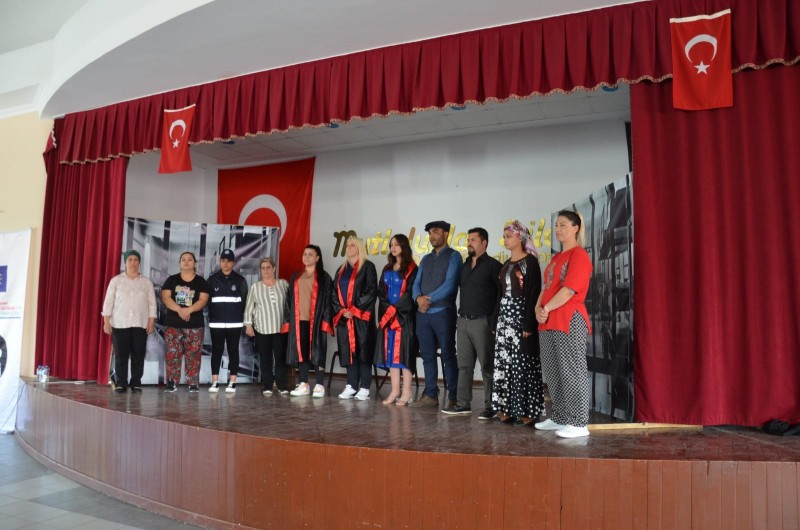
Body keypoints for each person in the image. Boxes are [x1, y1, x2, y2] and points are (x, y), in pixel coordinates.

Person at [535, 210, 593, 438]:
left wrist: (546, 309)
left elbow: (569, 290)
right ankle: (560, 417)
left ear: (575, 228)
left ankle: (579, 423)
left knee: (572, 370)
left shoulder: (579, 255)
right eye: (557, 225)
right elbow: (546, 288)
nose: (558, 229)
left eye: (563, 225)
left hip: (569, 318)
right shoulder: (556, 258)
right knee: (553, 371)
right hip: (548, 320)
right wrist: (538, 309)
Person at [442, 228, 502, 417]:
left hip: (483, 322)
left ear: (484, 243)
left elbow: (501, 296)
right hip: (463, 322)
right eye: (468, 240)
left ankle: (491, 407)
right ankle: (463, 404)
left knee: (487, 366)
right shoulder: (464, 266)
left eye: (473, 240)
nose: (469, 243)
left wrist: (494, 322)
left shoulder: (494, 266)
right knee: (464, 366)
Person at [491, 221, 543, 426]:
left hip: (521, 318)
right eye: (504, 236)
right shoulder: (506, 264)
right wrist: (495, 321)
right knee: (505, 363)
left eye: (509, 236)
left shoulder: (530, 262)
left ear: (520, 238)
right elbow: (500, 295)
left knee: (523, 363)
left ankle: (527, 411)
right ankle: (506, 408)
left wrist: (529, 324)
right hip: (504, 319)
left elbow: (533, 294)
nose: (505, 240)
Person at [410, 220, 462, 408]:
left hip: (443, 313)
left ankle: (454, 396)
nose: (432, 236)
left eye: (435, 232)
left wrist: (426, 300)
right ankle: (430, 394)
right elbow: (416, 283)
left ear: (446, 234)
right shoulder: (425, 259)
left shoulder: (454, 256)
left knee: (448, 354)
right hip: (423, 315)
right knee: (427, 355)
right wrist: (418, 299)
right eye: (430, 233)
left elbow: (450, 285)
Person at [281, 245, 334, 398]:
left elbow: (328, 302)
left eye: (311, 254)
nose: (307, 256)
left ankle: (319, 384)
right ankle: (303, 383)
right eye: (305, 254)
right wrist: (288, 321)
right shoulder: (296, 277)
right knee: (302, 353)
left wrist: (326, 321)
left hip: (316, 322)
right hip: (299, 321)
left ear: (317, 258)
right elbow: (288, 301)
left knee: (318, 351)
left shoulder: (324, 278)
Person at [101, 250, 157, 393]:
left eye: (135, 260)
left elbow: (152, 304)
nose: (133, 262)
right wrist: (106, 322)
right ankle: (121, 383)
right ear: (125, 262)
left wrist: (151, 321)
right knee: (121, 355)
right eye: (130, 260)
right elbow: (108, 302)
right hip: (120, 324)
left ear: (139, 263)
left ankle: (136, 383)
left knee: (138, 354)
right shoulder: (116, 281)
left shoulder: (146, 282)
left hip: (140, 324)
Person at [333, 237, 378, 400]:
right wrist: (341, 310)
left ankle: (365, 387)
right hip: (345, 318)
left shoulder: (368, 267)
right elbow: (333, 293)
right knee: (348, 351)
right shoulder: (341, 269)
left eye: (352, 245)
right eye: (347, 245)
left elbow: (371, 291)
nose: (349, 248)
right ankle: (351, 385)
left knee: (363, 350)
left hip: (361, 318)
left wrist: (354, 309)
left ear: (359, 248)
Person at [376, 234, 418, 406]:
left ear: (404, 247)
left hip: (404, 318)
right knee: (391, 354)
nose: (393, 248)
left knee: (405, 355)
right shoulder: (387, 268)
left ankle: (407, 391)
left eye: (397, 244)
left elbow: (410, 293)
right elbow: (381, 292)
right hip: (389, 318)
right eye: (391, 245)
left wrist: (396, 310)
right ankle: (395, 390)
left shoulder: (412, 268)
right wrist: (388, 311)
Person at [161, 251, 210, 393]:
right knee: (172, 354)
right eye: (183, 259)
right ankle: (172, 382)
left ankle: (193, 382)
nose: (186, 261)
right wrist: (181, 310)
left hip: (194, 325)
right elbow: (166, 298)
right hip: (173, 325)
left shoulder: (201, 282)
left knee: (194, 354)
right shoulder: (171, 280)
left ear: (195, 263)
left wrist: (189, 310)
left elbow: (203, 300)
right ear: (179, 263)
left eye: (189, 259)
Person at [245, 257, 290, 395]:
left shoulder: (283, 284)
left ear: (274, 269)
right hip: (262, 328)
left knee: (280, 357)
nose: (266, 270)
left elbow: (290, 304)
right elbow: (249, 307)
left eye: (268, 267)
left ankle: (282, 385)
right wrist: (248, 325)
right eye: (263, 268)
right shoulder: (255, 287)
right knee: (265, 358)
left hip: (281, 328)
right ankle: (268, 385)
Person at [207, 248, 248, 393]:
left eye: (229, 261)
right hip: (216, 323)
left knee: (233, 351)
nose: (225, 264)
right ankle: (215, 382)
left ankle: (232, 382)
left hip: (234, 323)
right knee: (216, 351)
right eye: (223, 261)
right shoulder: (212, 280)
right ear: (220, 262)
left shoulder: (240, 280)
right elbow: (207, 301)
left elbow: (245, 303)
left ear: (233, 263)